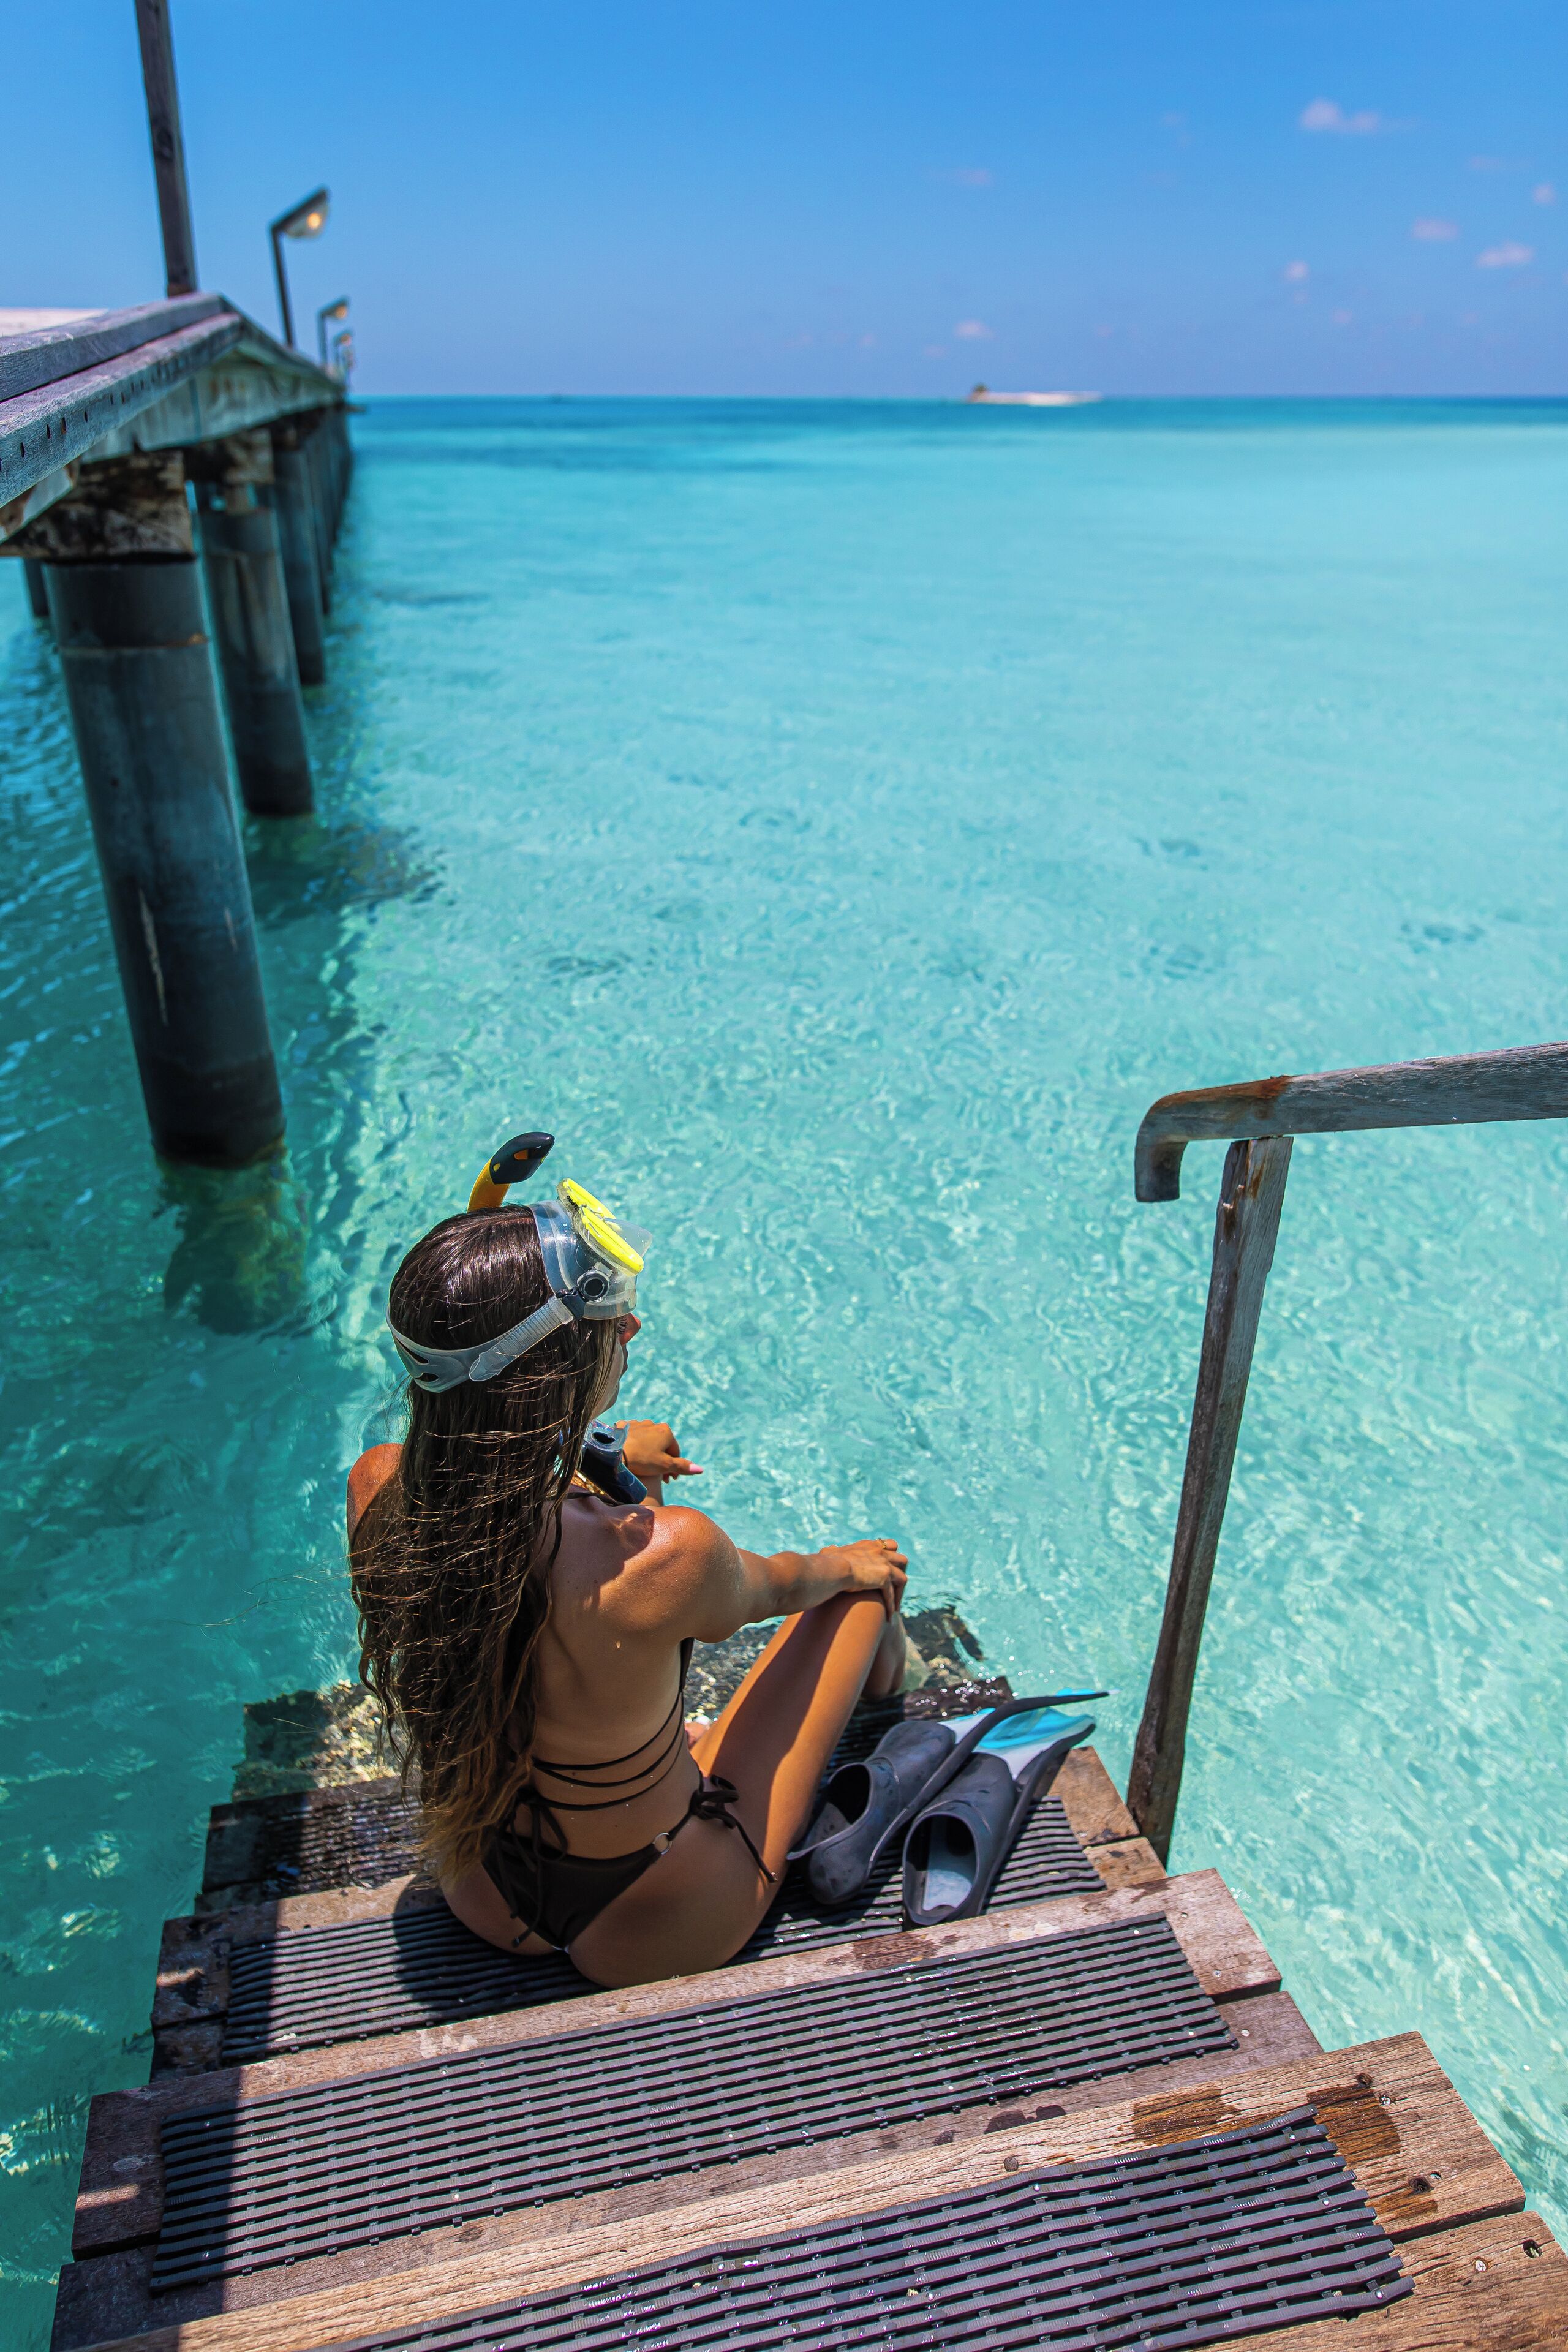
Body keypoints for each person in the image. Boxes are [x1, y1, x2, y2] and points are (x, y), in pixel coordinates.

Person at [347, 1176, 908, 1990]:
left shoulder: (380, 1491)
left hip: (482, 1885)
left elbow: (501, 1517)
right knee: (864, 1589)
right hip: (656, 1907)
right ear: (549, 1375)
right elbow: (779, 1586)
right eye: (612, 1325)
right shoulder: (667, 1555)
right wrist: (847, 1562)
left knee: (640, 1456)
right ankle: (899, 1690)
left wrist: (595, 1452)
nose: (634, 1328)